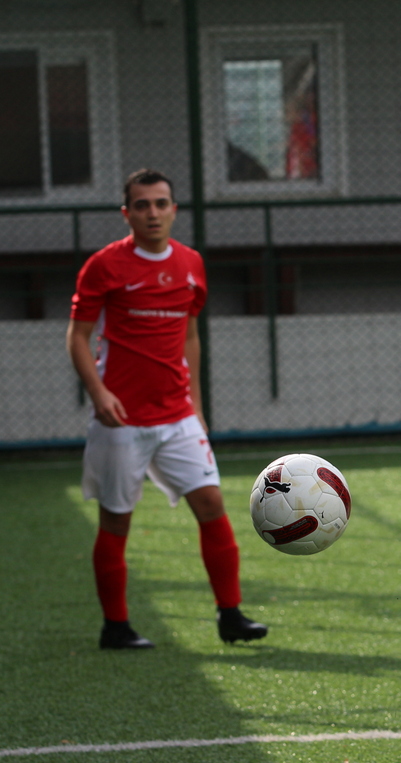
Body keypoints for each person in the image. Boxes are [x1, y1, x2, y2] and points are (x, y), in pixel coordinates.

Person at [67, 169, 267, 650]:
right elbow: (77, 337)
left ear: (174, 210)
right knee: (117, 521)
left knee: (212, 504)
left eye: (161, 204)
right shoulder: (103, 265)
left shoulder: (191, 263)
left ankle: (230, 615)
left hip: (177, 415)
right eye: (142, 205)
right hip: (121, 420)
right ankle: (115, 627)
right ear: (127, 213)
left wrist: (195, 404)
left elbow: (190, 335)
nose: (152, 213)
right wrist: (99, 394)